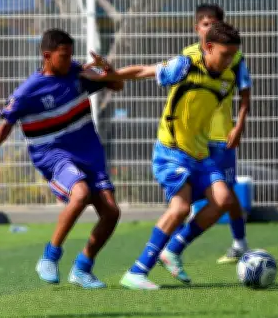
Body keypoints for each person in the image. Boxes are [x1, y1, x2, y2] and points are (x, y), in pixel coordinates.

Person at [86, 20, 243, 290]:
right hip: (170, 151)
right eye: (224, 54)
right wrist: (113, 75)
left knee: (224, 199)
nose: (230, 60)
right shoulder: (185, 65)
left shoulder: (227, 80)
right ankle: (137, 271)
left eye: (233, 54)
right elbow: (145, 70)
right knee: (180, 208)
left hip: (200, 153)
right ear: (208, 48)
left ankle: (173, 250)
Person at [0, 29, 123, 288]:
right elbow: (7, 124)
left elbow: (117, 85)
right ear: (47, 56)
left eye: (71, 55)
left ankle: (83, 268)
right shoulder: (29, 90)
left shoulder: (77, 73)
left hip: (88, 150)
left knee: (111, 212)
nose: (68, 60)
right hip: (52, 154)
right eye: (63, 56)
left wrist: (105, 68)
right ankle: (49, 256)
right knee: (81, 193)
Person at [158, 4, 252, 277]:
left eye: (214, 23)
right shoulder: (187, 58)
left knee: (227, 194)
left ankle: (239, 243)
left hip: (220, 135)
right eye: (205, 24)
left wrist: (239, 125)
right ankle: (166, 249)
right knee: (183, 195)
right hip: (188, 140)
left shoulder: (233, 57)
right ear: (197, 28)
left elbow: (245, 93)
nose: (208, 28)